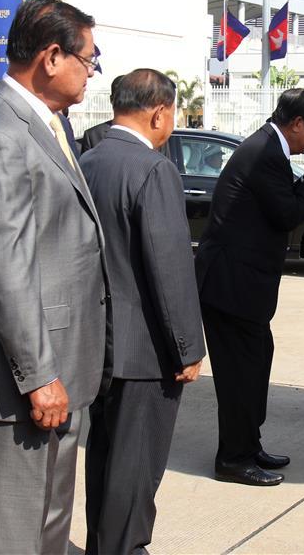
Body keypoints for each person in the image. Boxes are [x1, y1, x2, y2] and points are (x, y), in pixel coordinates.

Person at [0, 0, 110, 554]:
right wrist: (40, 377)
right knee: (12, 539)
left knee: (49, 533)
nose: (93, 72)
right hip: (18, 384)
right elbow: (3, 270)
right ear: (53, 57)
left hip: (57, 368)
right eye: (90, 59)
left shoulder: (44, 124)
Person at [80, 69, 205, 555]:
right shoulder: (152, 169)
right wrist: (189, 348)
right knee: (135, 465)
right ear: (159, 112)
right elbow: (170, 268)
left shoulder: (86, 160)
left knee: (106, 457)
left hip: (99, 341)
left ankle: (103, 544)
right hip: (147, 348)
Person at [195, 88, 304, 486]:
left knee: (256, 364)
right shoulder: (263, 153)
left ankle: (248, 444)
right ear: (296, 123)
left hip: (247, 286)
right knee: (240, 374)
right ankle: (233, 459)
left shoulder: (270, 150)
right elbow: (289, 213)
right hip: (231, 286)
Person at [79, 74, 124, 153]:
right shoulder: (93, 135)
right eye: (120, 98)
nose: (125, 102)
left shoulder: (147, 133)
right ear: (111, 99)